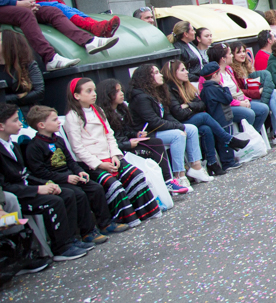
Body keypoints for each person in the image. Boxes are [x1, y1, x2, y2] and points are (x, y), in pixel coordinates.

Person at [0, 103, 92, 261]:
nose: (20, 124)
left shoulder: (13, 146)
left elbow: (25, 174)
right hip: (15, 197)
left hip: (25, 189)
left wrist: (44, 185)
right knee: (53, 201)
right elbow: (5, 187)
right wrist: (37, 190)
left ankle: (70, 240)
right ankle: (60, 248)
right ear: (1, 126)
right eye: (15, 121)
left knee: (67, 193)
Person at [63, 78, 161, 227]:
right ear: (77, 95)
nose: (93, 94)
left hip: (111, 157)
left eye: (94, 90)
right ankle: (125, 218)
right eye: (88, 91)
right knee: (113, 185)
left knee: (136, 174)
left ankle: (146, 211)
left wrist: (115, 155)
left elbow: (109, 135)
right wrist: (100, 164)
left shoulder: (99, 111)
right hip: (93, 163)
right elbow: (77, 148)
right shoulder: (72, 117)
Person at [23, 104, 121, 243]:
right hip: (55, 180)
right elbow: (39, 172)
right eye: (54, 120)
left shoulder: (58, 140)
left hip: (70, 175)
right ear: (41, 125)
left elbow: (70, 161)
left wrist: (80, 171)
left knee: (96, 188)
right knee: (79, 194)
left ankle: (105, 223)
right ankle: (87, 232)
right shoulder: (34, 147)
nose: (59, 122)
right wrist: (66, 178)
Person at [128, 64, 204, 190]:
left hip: (160, 128)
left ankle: (196, 167)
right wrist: (178, 128)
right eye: (157, 73)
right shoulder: (141, 98)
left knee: (191, 129)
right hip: (148, 133)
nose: (161, 75)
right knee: (177, 135)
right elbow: (154, 122)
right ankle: (179, 175)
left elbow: (166, 115)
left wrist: (180, 126)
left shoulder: (156, 93)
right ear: (147, 77)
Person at [162, 61, 244, 176]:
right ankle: (229, 139)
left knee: (206, 129)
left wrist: (189, 106)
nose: (186, 72)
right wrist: (192, 108)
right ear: (172, 73)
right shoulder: (170, 91)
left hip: (192, 117)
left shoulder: (187, 86)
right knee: (204, 116)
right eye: (182, 70)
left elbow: (201, 104)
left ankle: (212, 163)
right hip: (180, 122)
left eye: (185, 69)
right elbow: (179, 113)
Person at [96, 78, 173, 183]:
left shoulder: (121, 110)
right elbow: (109, 141)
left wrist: (136, 134)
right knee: (153, 147)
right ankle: (165, 181)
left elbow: (126, 130)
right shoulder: (104, 115)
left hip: (128, 143)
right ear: (107, 94)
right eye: (117, 91)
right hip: (120, 150)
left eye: (121, 90)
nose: (121, 93)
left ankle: (168, 180)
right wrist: (128, 144)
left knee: (156, 142)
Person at [207, 43, 272, 140]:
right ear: (223, 58)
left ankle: (254, 137)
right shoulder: (214, 75)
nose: (232, 56)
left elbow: (238, 89)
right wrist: (240, 103)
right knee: (248, 113)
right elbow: (223, 97)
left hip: (239, 100)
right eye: (230, 54)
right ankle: (244, 141)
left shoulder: (228, 69)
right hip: (225, 107)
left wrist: (246, 100)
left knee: (263, 109)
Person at [0, 30, 43, 115]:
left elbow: (39, 92)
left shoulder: (28, 64)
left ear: (7, 45)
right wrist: (18, 96)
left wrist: (5, 99)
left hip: (25, 112)